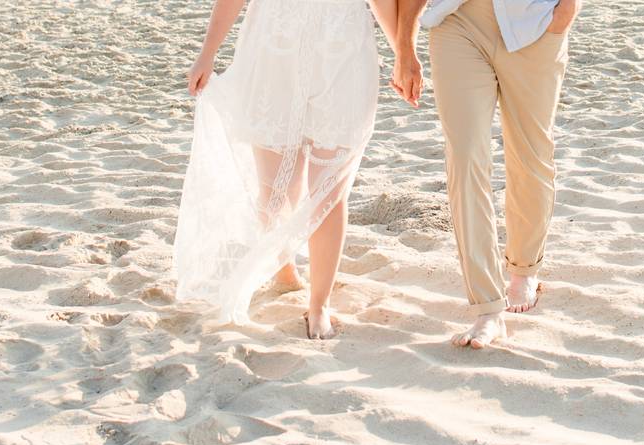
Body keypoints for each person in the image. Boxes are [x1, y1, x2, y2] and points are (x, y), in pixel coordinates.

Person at [173, 0, 398, 339]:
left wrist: (403, 53)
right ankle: (284, 270)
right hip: (274, 47)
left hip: (343, 51)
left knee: (330, 190)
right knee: (276, 191)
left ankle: (319, 303)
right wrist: (207, 52)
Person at [393, 0, 580, 348]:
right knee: (465, 158)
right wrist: (404, 48)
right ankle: (487, 306)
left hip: (536, 25)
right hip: (456, 24)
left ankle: (524, 268)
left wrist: (566, 11)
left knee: (531, 156)